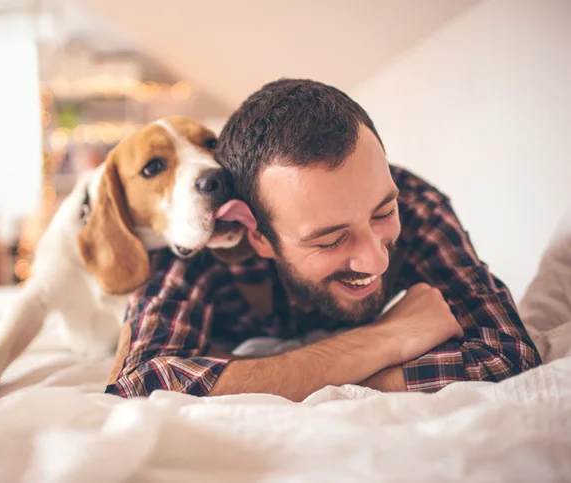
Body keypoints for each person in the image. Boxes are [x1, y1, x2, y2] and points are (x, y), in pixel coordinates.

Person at [105, 79, 541, 401]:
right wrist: (384, 339)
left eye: (383, 213)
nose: (375, 261)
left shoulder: (416, 203)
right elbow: (140, 387)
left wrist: (271, 379)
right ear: (256, 236)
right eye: (330, 240)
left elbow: (507, 355)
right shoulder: (205, 235)